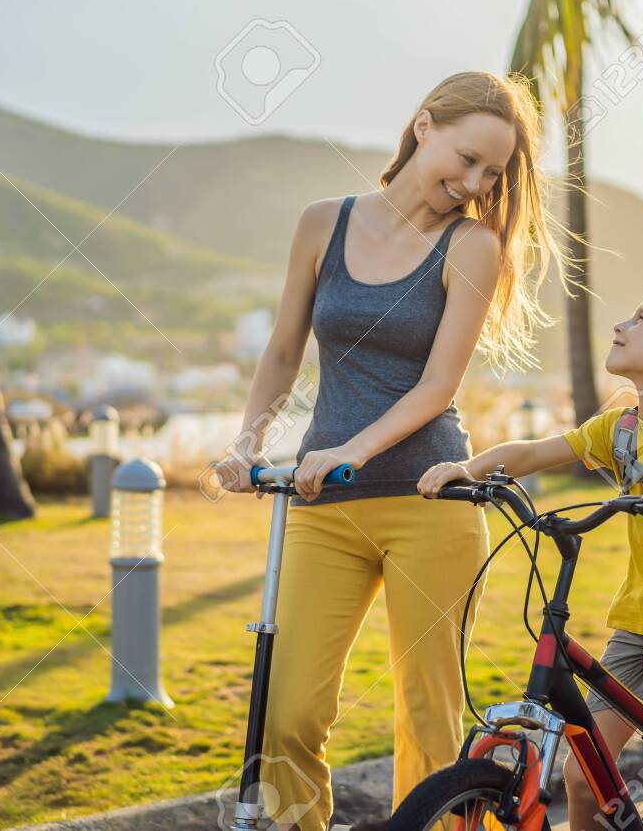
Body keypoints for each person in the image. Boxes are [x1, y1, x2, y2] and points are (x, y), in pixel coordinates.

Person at [215, 70, 567, 831]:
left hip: (431, 504)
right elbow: (281, 351)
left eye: (492, 173)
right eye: (467, 158)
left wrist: (351, 449)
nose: (473, 183)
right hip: (323, 507)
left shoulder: (473, 245)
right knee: (287, 718)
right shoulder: (322, 223)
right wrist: (248, 443)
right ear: (424, 126)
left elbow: (438, 386)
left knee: (427, 722)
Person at [418, 264, 643, 831]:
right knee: (585, 776)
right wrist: (468, 468)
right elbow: (534, 451)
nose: (622, 324)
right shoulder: (619, 429)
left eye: (641, 318)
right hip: (638, 621)